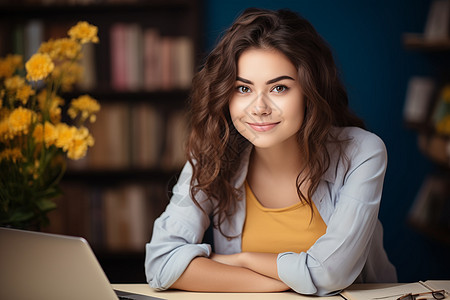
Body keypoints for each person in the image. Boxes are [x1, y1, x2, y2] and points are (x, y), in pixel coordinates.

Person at [145, 7, 397, 296]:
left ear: (309, 91)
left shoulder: (361, 152)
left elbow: (330, 272)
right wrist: (292, 281)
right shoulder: (211, 152)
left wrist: (240, 260)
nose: (259, 108)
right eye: (243, 89)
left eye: (279, 88)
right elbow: (160, 263)